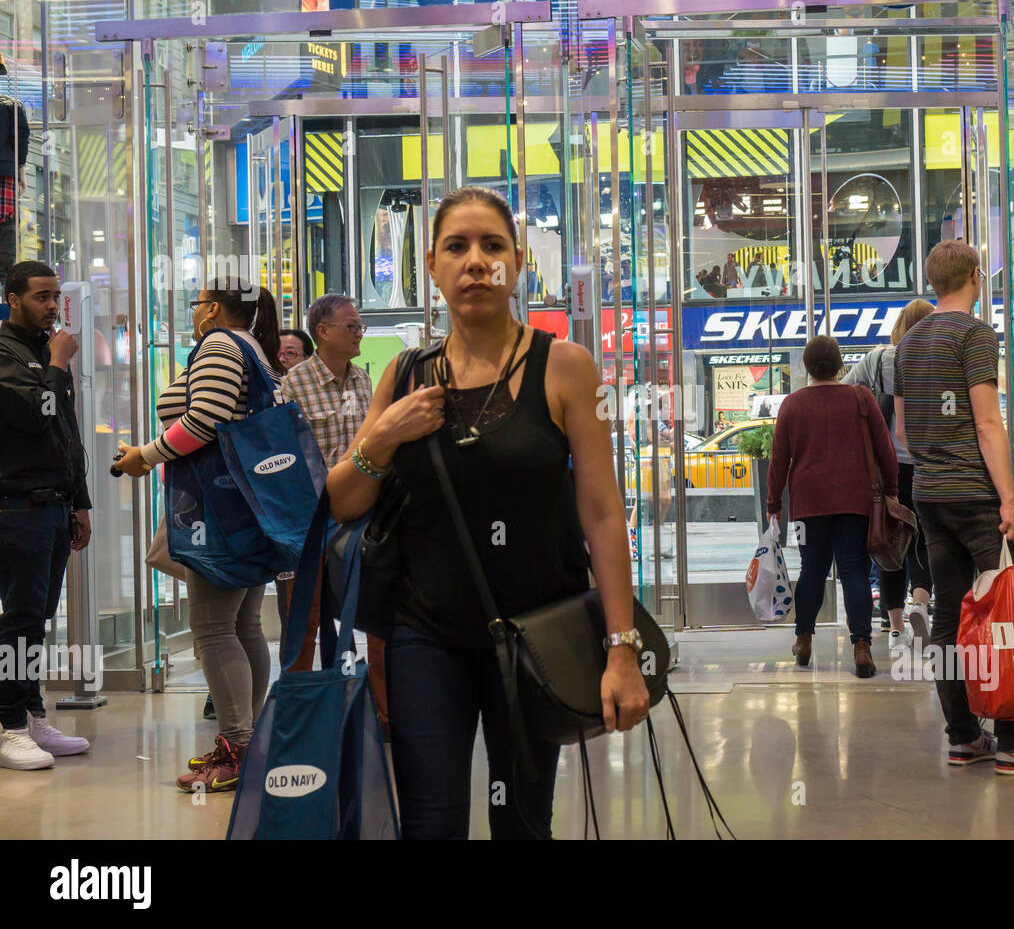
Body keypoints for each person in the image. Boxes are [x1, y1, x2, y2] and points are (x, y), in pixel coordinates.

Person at [324, 186, 649, 839]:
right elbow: (342, 499)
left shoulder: (565, 368)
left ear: (517, 263)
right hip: (426, 636)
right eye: (457, 246)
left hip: (538, 638)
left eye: (492, 246)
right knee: (432, 821)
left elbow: (604, 514)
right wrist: (383, 437)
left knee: (521, 822)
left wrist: (622, 649)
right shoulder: (404, 375)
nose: (475, 261)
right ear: (432, 266)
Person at [895, 240, 1014, 775]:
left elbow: (903, 431)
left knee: (949, 618)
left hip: (930, 494)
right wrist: (1008, 499)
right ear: (976, 276)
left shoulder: (907, 343)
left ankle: (962, 737)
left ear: (933, 281)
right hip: (976, 494)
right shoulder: (975, 334)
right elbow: (987, 422)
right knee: (1009, 613)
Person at [113, 276, 283, 793]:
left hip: (219, 509)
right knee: (245, 624)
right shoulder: (254, 349)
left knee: (212, 628)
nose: (193, 313)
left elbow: (203, 421)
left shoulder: (217, 345)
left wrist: (145, 455)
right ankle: (246, 742)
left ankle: (235, 746)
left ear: (212, 310)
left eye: (196, 304)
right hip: (249, 505)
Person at [0, 262, 92, 770]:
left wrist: (80, 502)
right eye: (41, 296)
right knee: (19, 624)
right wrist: (57, 365)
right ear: (13, 299)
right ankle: (9, 723)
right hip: (16, 508)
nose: (52, 305)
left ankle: (31, 712)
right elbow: (37, 418)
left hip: (54, 507)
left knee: (38, 622)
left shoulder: (44, 350)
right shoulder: (7, 352)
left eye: (56, 296)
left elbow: (67, 433)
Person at [277, 295, 384, 731]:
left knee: (377, 617)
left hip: (363, 516)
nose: (359, 334)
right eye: (351, 327)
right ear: (323, 331)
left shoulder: (364, 381)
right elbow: (283, 456)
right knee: (306, 620)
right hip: (311, 518)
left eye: (360, 327)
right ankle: (302, 715)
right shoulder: (292, 385)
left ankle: (381, 712)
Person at [767, 335, 898, 679]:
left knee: (812, 570)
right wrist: (894, 489)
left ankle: (804, 640)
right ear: (840, 364)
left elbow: (778, 460)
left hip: (808, 505)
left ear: (806, 367)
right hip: (855, 502)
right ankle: (861, 648)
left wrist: (772, 503)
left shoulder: (792, 405)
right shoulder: (860, 397)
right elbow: (885, 449)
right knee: (853, 571)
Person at [843, 298, 935, 655]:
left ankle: (896, 629)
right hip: (928, 465)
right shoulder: (937, 360)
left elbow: (844, 393)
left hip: (888, 472)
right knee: (926, 541)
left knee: (891, 544)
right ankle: (921, 603)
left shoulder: (880, 358)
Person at [0, 57, 29, 288]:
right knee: (6, 237)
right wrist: (22, 173)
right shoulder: (12, 106)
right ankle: (5, 296)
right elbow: (20, 142)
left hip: (6, 176)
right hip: (4, 177)